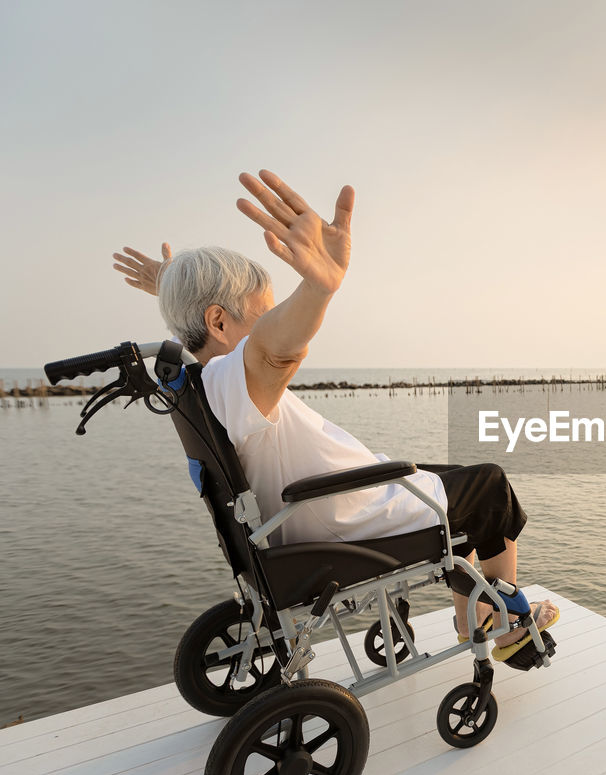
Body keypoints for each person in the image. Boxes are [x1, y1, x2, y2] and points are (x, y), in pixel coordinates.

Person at [112, 170, 557, 663]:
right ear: (218, 321)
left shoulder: (204, 385)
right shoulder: (235, 380)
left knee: (456, 494)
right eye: (263, 314)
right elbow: (273, 350)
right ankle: (509, 630)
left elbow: (246, 342)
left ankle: (472, 617)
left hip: (334, 507)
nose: (272, 322)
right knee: (490, 487)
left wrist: (170, 284)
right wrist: (319, 287)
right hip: (350, 517)